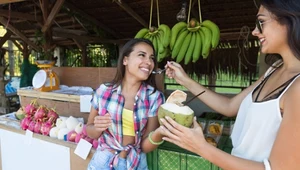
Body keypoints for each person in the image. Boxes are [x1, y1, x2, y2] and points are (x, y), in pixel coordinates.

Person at [159, 0, 300, 169]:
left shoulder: (297, 87)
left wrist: (200, 147)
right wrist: (184, 79)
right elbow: (229, 106)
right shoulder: (274, 70)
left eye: (261, 22)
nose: (255, 31)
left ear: (291, 20)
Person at [86, 38, 165, 170]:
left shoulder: (154, 97)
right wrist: (97, 128)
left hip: (135, 163)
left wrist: (160, 133)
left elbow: (145, 146)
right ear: (125, 60)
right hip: (103, 161)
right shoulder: (104, 92)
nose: (149, 62)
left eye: (151, 58)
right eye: (142, 55)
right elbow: (90, 130)